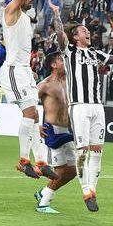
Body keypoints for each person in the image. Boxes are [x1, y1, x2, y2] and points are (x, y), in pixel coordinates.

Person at [50, 1, 113, 212]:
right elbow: (59, 35)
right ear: (75, 36)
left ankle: (92, 190)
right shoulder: (70, 51)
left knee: (97, 152)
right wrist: (57, 15)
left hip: (97, 107)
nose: (88, 33)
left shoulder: (95, 53)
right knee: (82, 152)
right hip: (80, 106)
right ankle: (85, 189)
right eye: (84, 31)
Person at [0, 0, 56, 181]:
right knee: (30, 113)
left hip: (23, 71)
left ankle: (41, 161)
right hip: (12, 70)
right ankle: (23, 161)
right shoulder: (11, 10)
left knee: (35, 117)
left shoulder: (25, 18)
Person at [33, 51, 77, 214]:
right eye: (61, 59)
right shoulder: (45, 84)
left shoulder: (70, 82)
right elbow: (28, 103)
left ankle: (42, 193)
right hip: (52, 132)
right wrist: (35, 125)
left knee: (72, 171)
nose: (64, 61)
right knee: (59, 171)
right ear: (53, 65)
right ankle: (43, 204)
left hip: (68, 131)